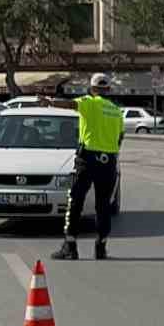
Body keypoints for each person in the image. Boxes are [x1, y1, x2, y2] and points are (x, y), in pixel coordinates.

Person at [40, 73, 123, 260]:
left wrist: (50, 102)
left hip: (88, 159)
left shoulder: (89, 102)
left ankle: (70, 246)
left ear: (92, 89)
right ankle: (101, 247)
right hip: (108, 161)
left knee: (76, 200)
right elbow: (120, 137)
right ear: (108, 90)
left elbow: (70, 104)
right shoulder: (116, 111)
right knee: (103, 206)